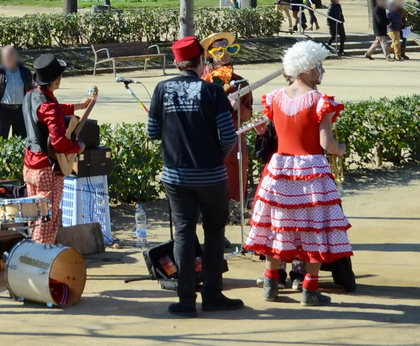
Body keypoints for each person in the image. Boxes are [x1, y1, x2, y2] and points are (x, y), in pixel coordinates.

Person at [246, 40, 351, 306]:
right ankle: (310, 289)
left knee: (278, 226)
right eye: (318, 66)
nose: (321, 71)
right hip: (310, 170)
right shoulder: (320, 102)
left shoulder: (273, 98)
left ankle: (270, 282)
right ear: (304, 68)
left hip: (280, 168)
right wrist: (341, 149)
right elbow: (327, 145)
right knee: (314, 229)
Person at [146, 36, 244, 318]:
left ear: (178, 63)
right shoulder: (213, 92)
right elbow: (229, 137)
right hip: (211, 175)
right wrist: (216, 154)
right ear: (201, 62)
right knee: (214, 233)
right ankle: (212, 295)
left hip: (175, 176)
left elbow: (152, 132)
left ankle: (186, 299)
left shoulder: (161, 89)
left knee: (183, 234)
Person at [21, 53, 96, 245]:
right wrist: (77, 148)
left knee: (33, 214)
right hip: (47, 168)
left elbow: (51, 109)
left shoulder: (30, 96)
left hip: (30, 165)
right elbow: (58, 143)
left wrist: (78, 106)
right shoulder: (49, 107)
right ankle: (41, 260)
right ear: (56, 79)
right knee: (48, 218)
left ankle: (31, 253)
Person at [201, 32, 253, 205]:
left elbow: (247, 115)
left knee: (235, 173)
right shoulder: (202, 81)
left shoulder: (241, 82)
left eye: (228, 49)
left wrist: (239, 107)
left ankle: (235, 210)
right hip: (209, 137)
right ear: (209, 55)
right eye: (218, 51)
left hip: (235, 137)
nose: (225, 54)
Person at [0, 45, 33, 143]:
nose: (8, 59)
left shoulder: (25, 72)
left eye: (10, 56)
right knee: (0, 143)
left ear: (16, 57)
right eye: (6, 57)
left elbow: (31, 90)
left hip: (20, 111)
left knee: (20, 142)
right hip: (2, 111)